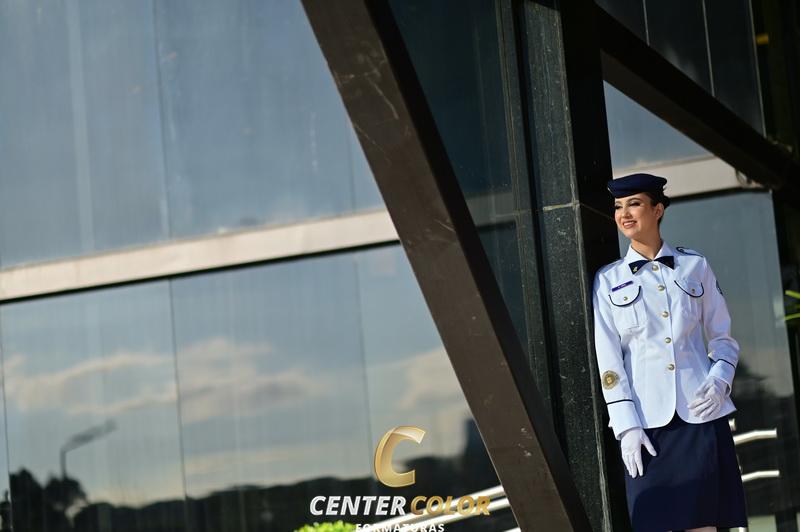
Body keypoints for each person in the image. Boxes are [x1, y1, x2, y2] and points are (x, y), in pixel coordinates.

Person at [592, 173, 748, 532]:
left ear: (657, 210)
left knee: (704, 526)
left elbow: (723, 339)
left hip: (700, 416)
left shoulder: (695, 265)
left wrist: (719, 381)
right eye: (618, 207)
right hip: (647, 426)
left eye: (634, 204)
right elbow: (609, 362)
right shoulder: (607, 280)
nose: (624, 214)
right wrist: (626, 425)